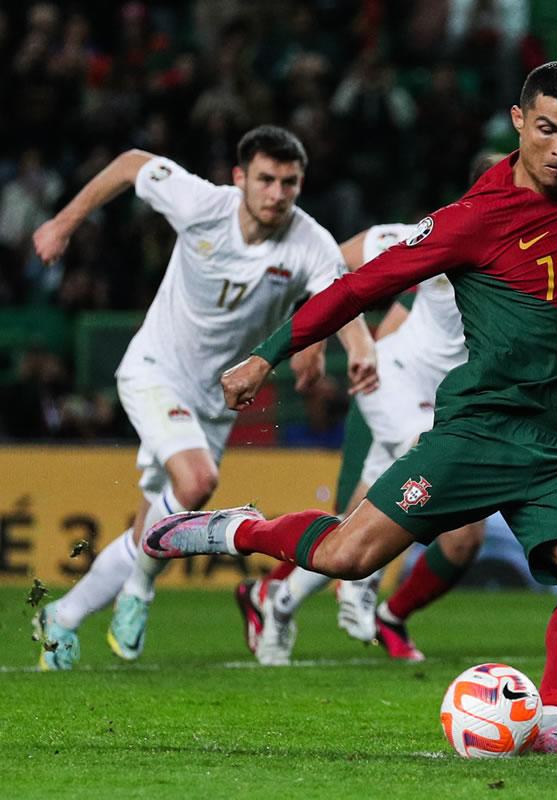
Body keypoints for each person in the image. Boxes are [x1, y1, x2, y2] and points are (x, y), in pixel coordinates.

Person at [142, 61, 557, 755]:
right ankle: (236, 531)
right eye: (546, 129)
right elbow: (356, 288)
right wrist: (266, 355)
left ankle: (553, 721)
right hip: (479, 433)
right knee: (346, 554)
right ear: (518, 122)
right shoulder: (471, 220)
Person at [239, 152, 557, 666]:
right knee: (416, 480)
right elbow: (334, 266)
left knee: (388, 533)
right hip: (395, 379)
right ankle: (352, 588)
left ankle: (278, 597)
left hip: (458, 404)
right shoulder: (448, 230)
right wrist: (345, 343)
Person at [30, 126, 377, 671]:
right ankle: (141, 591)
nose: (277, 193)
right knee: (196, 484)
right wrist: (63, 223)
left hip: (218, 402)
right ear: (240, 178)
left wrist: (359, 348)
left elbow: (340, 299)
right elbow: (130, 162)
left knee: (158, 529)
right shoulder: (201, 204)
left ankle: (63, 618)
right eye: (265, 179)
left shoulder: (311, 241)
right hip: (156, 371)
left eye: (290, 182)